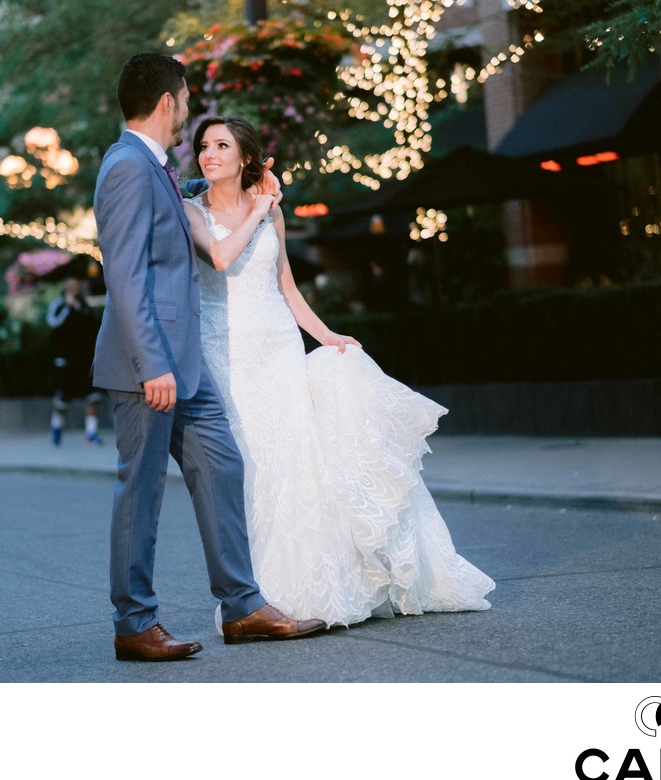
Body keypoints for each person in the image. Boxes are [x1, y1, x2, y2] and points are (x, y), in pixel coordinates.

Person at [183, 116, 495, 628]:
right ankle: (257, 595)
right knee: (253, 467)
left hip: (279, 347)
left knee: (297, 459)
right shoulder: (191, 210)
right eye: (203, 146)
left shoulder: (272, 216)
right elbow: (218, 257)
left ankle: (320, 584)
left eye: (221, 145)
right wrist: (260, 205)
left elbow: (286, 287)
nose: (209, 153)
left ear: (244, 158)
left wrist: (326, 336)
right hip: (227, 352)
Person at [91, 53, 326, 661]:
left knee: (222, 467)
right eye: (188, 99)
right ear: (169, 101)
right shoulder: (125, 167)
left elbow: (185, 199)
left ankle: (243, 606)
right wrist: (152, 365)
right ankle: (135, 624)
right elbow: (124, 274)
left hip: (184, 367)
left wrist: (250, 187)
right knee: (140, 493)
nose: (190, 109)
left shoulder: (154, 168)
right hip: (151, 369)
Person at [46, 277, 103, 446]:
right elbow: (52, 324)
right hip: (65, 359)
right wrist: (67, 307)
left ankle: (91, 432)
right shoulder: (58, 305)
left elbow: (92, 327)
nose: (74, 288)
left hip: (84, 359)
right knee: (62, 400)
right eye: (71, 285)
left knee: (92, 397)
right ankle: (56, 426)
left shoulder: (84, 305)